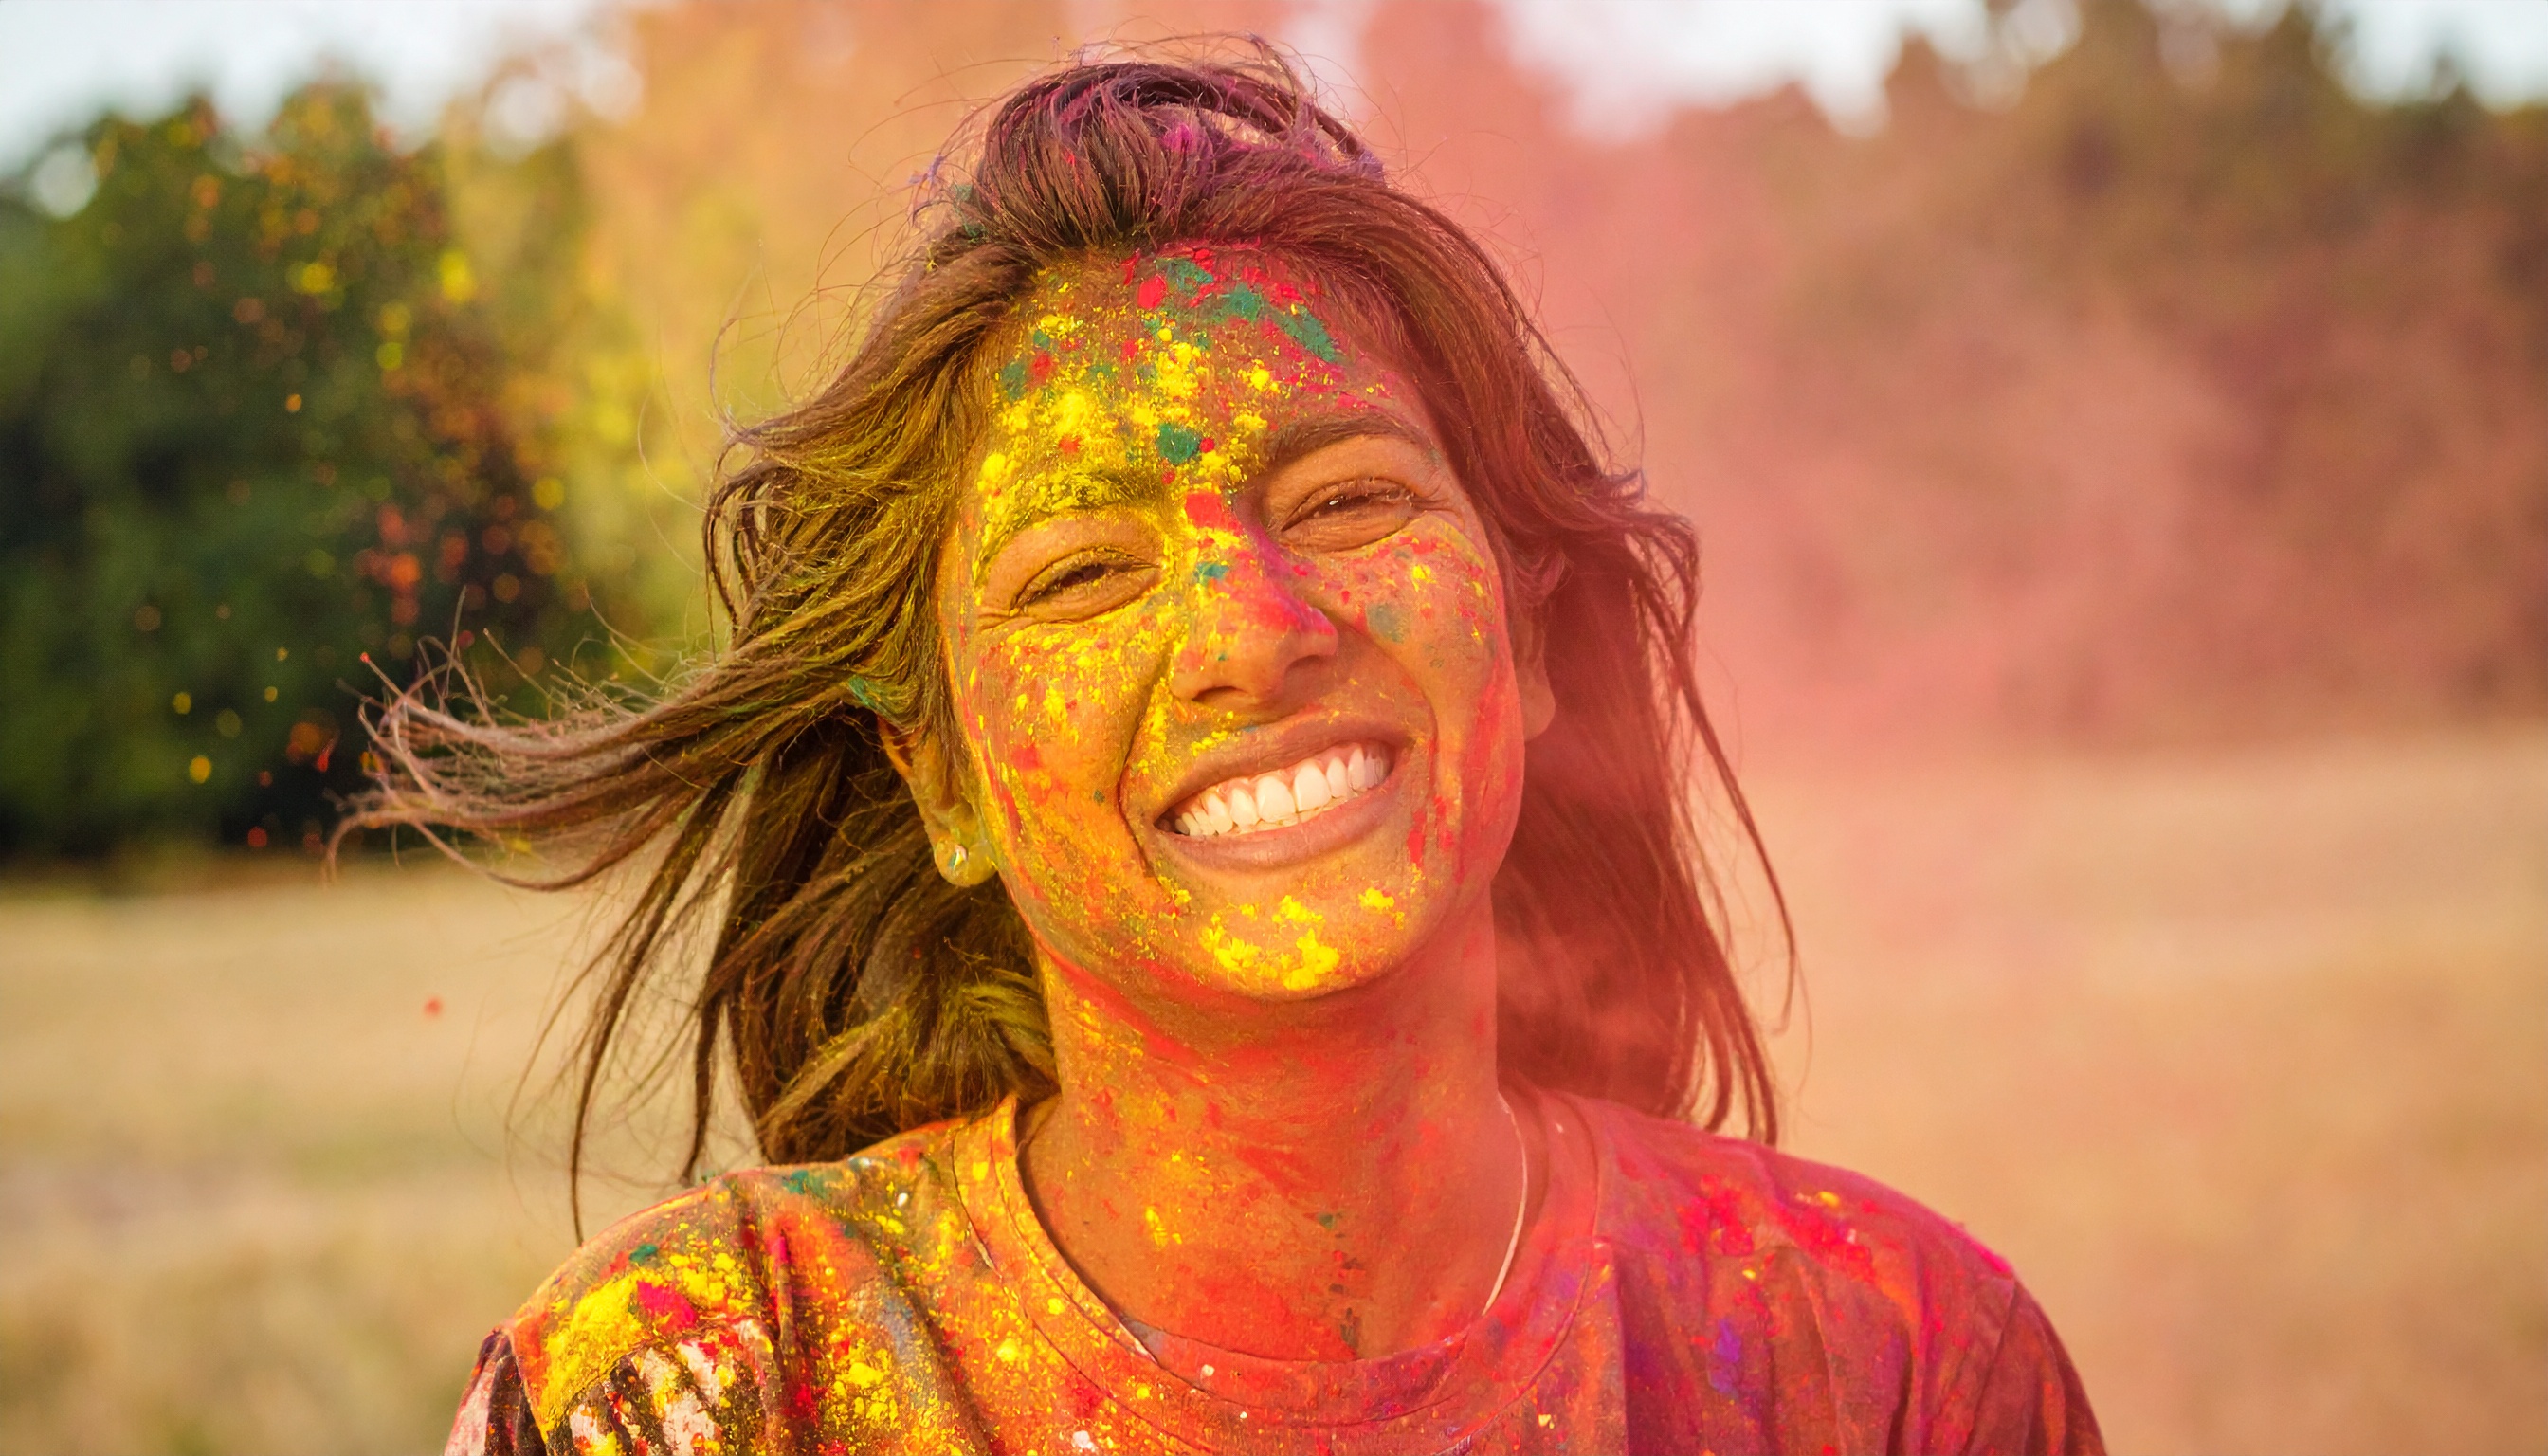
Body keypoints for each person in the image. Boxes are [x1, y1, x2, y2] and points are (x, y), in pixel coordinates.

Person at [371, 47, 2102, 1456]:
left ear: (1534, 637)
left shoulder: (1883, 1365)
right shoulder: (705, 1394)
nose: (1252, 628)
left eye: (1348, 498)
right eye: (1083, 572)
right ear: (943, 780)